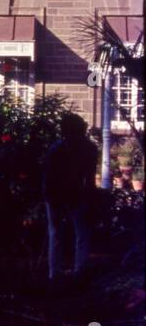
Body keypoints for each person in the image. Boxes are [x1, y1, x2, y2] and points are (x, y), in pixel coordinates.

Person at [40, 113, 99, 284]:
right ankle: (63, 273)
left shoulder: (61, 148)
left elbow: (88, 177)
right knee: (71, 232)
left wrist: (89, 194)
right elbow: (50, 176)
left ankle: (66, 272)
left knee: (65, 233)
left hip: (72, 193)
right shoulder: (61, 149)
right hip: (59, 193)